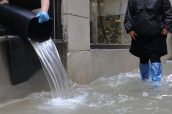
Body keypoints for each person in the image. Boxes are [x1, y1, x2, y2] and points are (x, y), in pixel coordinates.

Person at [124, 0, 172, 87]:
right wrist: (129, 29)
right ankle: (144, 82)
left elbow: (169, 13)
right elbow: (129, 14)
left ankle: (156, 85)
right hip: (139, 33)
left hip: (158, 32)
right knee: (143, 57)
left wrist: (167, 26)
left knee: (155, 57)